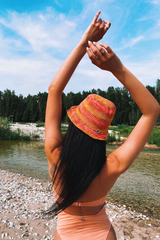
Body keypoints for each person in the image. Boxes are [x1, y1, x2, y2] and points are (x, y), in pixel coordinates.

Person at [44, 11, 160, 240]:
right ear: (102, 136)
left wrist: (83, 43)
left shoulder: (55, 155)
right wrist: (118, 69)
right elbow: (152, 111)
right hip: (101, 233)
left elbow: (54, 90)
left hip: (64, 232)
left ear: (74, 128)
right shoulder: (112, 166)